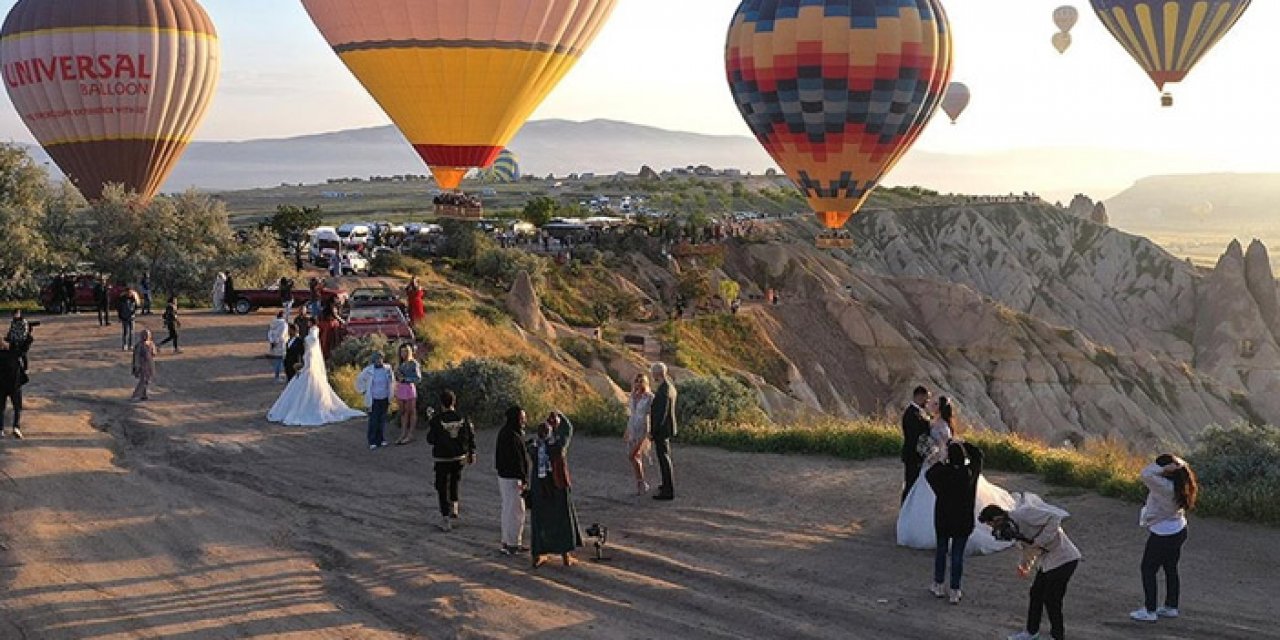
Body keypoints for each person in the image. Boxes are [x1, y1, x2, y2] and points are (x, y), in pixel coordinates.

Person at [898, 397, 1014, 555]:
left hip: (936, 462)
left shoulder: (942, 426)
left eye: (936, 404)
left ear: (940, 408)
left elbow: (943, 447)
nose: (932, 404)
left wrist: (933, 457)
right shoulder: (934, 421)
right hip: (931, 461)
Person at [980, 495, 1082, 640]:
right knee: (1036, 594)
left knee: (1052, 599)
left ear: (997, 519)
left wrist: (1040, 541)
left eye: (992, 525)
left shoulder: (1024, 514)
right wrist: (1024, 565)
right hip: (1048, 561)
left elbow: (1054, 518)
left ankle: (1058, 636)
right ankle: (1031, 632)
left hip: (1065, 558)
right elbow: (1028, 549)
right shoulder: (1014, 529)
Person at [1129, 454, 1198, 623]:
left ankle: (1150, 610)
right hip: (1179, 528)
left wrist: (1163, 468)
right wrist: (1178, 464)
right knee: (1170, 568)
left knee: (1148, 569)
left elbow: (1145, 474)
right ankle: (1170, 606)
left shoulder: (1165, 486)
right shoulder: (1182, 480)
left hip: (1163, 533)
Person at [267, 324, 365, 426]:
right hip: (308, 372)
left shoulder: (309, 352)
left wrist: (300, 368)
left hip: (308, 373)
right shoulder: (310, 351)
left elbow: (308, 365)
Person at [926, 441, 985, 604]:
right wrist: (965, 444)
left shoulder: (943, 474)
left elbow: (929, 473)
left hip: (943, 519)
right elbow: (979, 455)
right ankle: (955, 590)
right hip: (963, 520)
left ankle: (938, 584)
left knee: (941, 551)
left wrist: (942, 458)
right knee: (957, 555)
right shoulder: (969, 473)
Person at [527, 411, 582, 567]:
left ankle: (538, 554)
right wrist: (559, 416)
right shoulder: (557, 446)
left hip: (539, 487)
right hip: (557, 485)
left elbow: (530, 445)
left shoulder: (534, 448)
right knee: (562, 518)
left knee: (540, 520)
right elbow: (568, 429)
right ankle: (566, 555)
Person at [425, 390, 476, 532]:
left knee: (442, 487)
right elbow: (470, 434)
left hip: (442, 458)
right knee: (455, 480)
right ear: (454, 402)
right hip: (459, 457)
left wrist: (431, 423)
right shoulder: (463, 418)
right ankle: (454, 506)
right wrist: (472, 451)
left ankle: (445, 517)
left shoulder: (437, 420)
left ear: (442, 404)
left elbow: (431, 440)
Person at [495, 405, 531, 556]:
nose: (524, 420)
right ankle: (512, 544)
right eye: (522, 418)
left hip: (506, 477)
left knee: (509, 509)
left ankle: (510, 542)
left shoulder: (508, 433)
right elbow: (516, 460)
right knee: (516, 511)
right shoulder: (511, 435)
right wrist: (523, 478)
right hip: (512, 478)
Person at [648, 362, 677, 501]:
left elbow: (660, 414)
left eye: (653, 373)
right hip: (667, 428)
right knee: (665, 457)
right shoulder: (669, 387)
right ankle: (666, 485)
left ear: (657, 374)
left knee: (664, 459)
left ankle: (668, 490)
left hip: (662, 429)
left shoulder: (663, 390)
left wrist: (653, 432)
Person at [355, 352, 394, 450]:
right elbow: (359, 380)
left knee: (382, 420)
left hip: (384, 398)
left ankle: (381, 439)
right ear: (373, 360)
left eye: (380, 359)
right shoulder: (368, 370)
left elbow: (392, 381)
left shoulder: (388, 369)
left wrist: (391, 395)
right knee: (374, 420)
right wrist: (363, 391)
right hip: (374, 399)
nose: (379, 361)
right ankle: (372, 441)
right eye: (377, 359)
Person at [626, 373, 655, 495]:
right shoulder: (633, 396)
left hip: (643, 428)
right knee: (636, 458)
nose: (638, 383)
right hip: (632, 427)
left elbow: (651, 415)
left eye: (641, 381)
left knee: (632, 455)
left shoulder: (649, 397)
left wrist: (649, 433)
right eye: (636, 381)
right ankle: (641, 483)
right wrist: (627, 430)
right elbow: (631, 414)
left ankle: (641, 482)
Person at [902, 386, 932, 503]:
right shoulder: (911, 414)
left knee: (914, 483)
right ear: (919, 396)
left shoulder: (917, 412)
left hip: (917, 454)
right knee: (911, 483)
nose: (927, 401)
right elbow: (916, 436)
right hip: (913, 455)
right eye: (926, 398)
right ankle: (905, 508)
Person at [394, 343, 422, 445]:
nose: (403, 354)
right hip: (400, 388)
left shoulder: (413, 363)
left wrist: (405, 379)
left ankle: (410, 434)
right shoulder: (399, 364)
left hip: (409, 388)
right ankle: (403, 433)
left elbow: (418, 378)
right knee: (403, 412)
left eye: (405, 351)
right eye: (401, 351)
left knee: (411, 411)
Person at [0, 337, 24, 439]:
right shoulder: (13, 354)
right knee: (17, 407)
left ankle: (0, 429)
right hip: (14, 385)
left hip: (1, 386)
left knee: (1, 408)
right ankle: (16, 427)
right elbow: (24, 349)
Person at [131, 329, 157, 401]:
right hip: (142, 364)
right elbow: (136, 356)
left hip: (149, 364)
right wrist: (136, 366)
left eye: (147, 335)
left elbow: (154, 353)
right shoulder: (139, 345)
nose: (146, 336)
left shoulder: (151, 344)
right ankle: (136, 395)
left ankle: (144, 395)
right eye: (144, 335)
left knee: (147, 380)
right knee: (143, 380)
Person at [267, 311, 289, 380]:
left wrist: (272, 342)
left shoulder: (273, 323)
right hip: (281, 344)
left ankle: (277, 375)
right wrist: (277, 342)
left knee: (276, 360)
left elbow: (270, 333)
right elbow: (282, 335)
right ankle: (279, 376)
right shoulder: (284, 324)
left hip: (274, 344)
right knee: (282, 360)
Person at [117, 287, 139, 351]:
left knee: (132, 331)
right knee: (125, 332)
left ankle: (131, 345)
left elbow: (137, 307)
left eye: (130, 292)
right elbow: (119, 308)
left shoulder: (134, 298)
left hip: (131, 317)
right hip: (124, 317)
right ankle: (125, 345)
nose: (129, 293)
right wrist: (120, 316)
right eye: (128, 292)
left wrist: (133, 313)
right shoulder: (122, 299)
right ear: (126, 292)